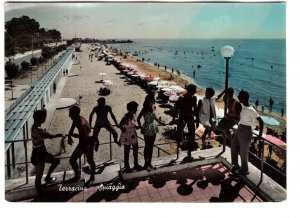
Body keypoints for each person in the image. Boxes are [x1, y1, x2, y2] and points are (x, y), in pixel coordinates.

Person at [231, 91, 264, 176]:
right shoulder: (241, 106)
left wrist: (260, 135)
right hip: (240, 127)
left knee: (243, 151)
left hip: (247, 130)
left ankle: (245, 169)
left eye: (239, 96)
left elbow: (261, 121)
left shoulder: (251, 110)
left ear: (244, 98)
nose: (238, 97)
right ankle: (236, 165)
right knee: (234, 146)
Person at [31, 109, 62, 197]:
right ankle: (41, 197)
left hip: (41, 152)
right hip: (39, 154)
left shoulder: (35, 126)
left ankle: (48, 177)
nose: (45, 117)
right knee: (38, 178)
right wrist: (58, 135)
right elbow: (49, 136)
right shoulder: (38, 128)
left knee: (56, 161)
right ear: (41, 118)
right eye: (44, 116)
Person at [137, 93, 166, 171]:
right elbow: (138, 118)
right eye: (153, 99)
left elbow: (155, 117)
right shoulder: (144, 109)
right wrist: (140, 126)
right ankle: (146, 163)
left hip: (153, 127)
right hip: (147, 128)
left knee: (151, 146)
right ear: (150, 100)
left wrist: (162, 123)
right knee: (147, 146)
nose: (155, 100)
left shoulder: (153, 107)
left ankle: (149, 163)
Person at [68, 106, 96, 185]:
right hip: (84, 142)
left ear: (74, 114)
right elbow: (71, 129)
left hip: (87, 143)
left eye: (70, 114)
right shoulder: (76, 119)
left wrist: (77, 136)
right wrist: (69, 137)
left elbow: (85, 137)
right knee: (75, 160)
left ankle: (91, 177)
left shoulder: (80, 123)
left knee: (88, 160)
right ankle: (78, 175)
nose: (69, 115)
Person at [175, 84, 198, 161]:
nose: (196, 91)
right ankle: (181, 153)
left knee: (191, 135)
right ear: (191, 90)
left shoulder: (192, 98)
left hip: (187, 117)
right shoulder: (182, 98)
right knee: (180, 134)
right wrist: (197, 119)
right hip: (184, 117)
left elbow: (195, 109)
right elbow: (178, 109)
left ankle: (189, 154)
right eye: (195, 90)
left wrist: (197, 119)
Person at [119, 101, 143, 173]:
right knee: (127, 151)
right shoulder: (125, 117)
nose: (136, 110)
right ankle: (127, 166)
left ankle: (136, 164)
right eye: (135, 109)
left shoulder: (133, 116)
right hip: (127, 136)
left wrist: (136, 127)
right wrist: (124, 129)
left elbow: (133, 124)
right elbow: (120, 125)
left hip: (133, 135)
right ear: (132, 109)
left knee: (135, 149)